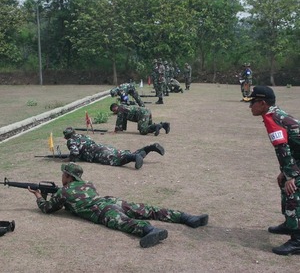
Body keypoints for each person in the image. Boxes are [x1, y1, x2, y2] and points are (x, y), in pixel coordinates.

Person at [28, 163, 209, 248]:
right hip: (111, 201)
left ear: (68, 176)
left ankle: (149, 231)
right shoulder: (88, 184)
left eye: (63, 175)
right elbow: (75, 197)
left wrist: (38, 196)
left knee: (124, 222)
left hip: (102, 210)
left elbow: (47, 208)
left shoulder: (63, 192)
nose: (62, 177)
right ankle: (187, 217)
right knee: (148, 209)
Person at [249, 86, 300, 255]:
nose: (250, 107)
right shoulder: (274, 114)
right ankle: (289, 223)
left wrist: (291, 175)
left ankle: (298, 240)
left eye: (253, 103)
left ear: (263, 103)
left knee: (293, 191)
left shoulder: (272, 119)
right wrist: (284, 172)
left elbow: (282, 149)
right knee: (284, 182)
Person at [63, 127, 165, 170]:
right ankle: (149, 148)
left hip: (96, 154)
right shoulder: (82, 136)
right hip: (101, 147)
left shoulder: (71, 140)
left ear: (67, 136)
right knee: (121, 154)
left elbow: (75, 152)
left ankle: (136, 156)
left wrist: (70, 159)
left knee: (118, 160)